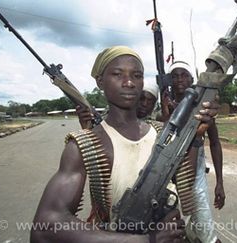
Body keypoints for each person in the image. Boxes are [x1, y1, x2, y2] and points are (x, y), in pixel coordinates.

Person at [30, 46, 221, 243]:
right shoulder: (83, 144)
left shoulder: (161, 132)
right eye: (117, 74)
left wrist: (197, 135)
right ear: (100, 81)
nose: (129, 82)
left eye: (137, 75)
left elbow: (183, 183)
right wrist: (146, 240)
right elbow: (46, 226)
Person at [158, 61, 225, 243]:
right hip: (165, 173)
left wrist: (219, 182)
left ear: (192, 79)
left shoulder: (202, 109)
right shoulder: (164, 108)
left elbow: (215, 143)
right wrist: (166, 112)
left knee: (203, 221)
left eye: (184, 75)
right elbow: (161, 142)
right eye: (175, 75)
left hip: (193, 172)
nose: (179, 79)